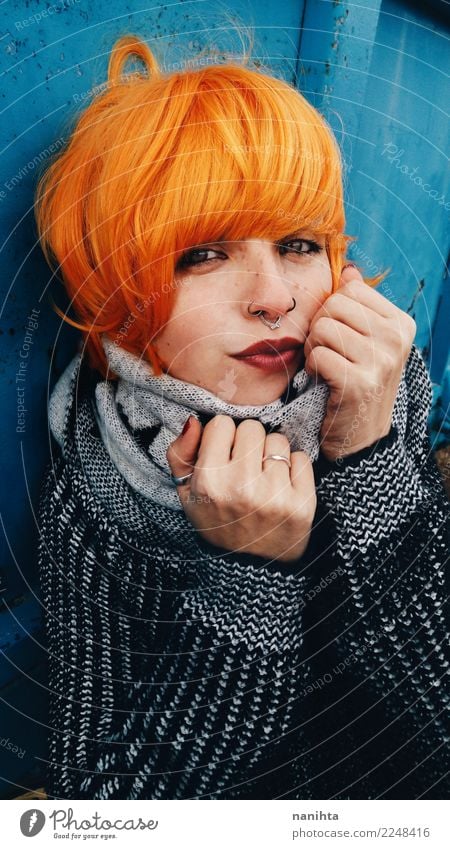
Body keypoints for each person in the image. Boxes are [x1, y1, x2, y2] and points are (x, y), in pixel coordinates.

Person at [35, 34, 449, 800]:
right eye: (202, 254)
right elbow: (102, 802)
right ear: (121, 297)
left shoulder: (389, 395)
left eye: (298, 244)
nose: (276, 297)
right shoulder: (103, 492)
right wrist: (247, 582)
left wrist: (366, 453)